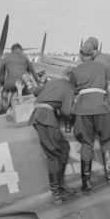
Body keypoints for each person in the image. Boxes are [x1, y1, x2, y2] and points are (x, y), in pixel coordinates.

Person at [70, 38, 110, 191]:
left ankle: (86, 182)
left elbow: (73, 89)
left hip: (83, 110)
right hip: (101, 107)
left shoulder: (76, 71)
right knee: (106, 140)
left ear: (81, 56)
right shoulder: (101, 67)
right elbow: (105, 86)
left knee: (86, 144)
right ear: (93, 54)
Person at [29, 69, 77, 203]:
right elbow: (67, 111)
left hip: (40, 115)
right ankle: (56, 194)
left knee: (64, 147)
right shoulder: (68, 87)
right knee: (53, 155)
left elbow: (36, 92)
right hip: (46, 118)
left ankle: (60, 185)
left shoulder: (53, 82)